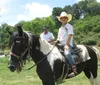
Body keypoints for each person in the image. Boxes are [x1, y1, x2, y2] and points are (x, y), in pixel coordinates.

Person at [56, 11, 77, 77]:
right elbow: (59, 38)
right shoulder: (60, 29)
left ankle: (74, 70)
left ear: (67, 19)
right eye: (62, 18)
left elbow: (70, 35)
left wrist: (67, 45)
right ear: (60, 20)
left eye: (65, 17)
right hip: (60, 44)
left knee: (67, 54)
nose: (63, 19)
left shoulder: (69, 26)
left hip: (68, 44)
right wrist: (56, 41)